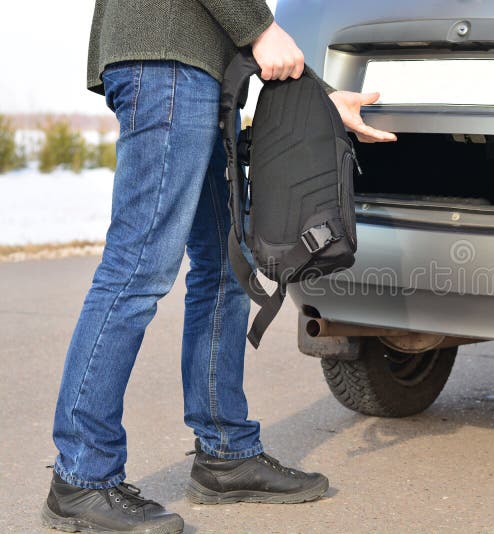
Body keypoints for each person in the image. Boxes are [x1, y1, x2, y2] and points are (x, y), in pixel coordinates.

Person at [42, 1, 397, 532]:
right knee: (137, 269)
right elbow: (258, 33)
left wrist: (321, 97)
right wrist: (258, 25)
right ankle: (82, 477)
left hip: (199, 73)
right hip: (165, 64)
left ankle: (225, 454)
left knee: (228, 266)